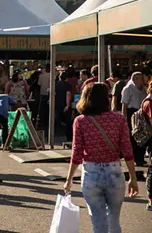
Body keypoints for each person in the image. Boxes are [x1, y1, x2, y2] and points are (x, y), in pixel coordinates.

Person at [63, 83, 138, 232]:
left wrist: (69, 180)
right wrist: (133, 178)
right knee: (114, 221)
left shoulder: (81, 121)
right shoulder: (119, 119)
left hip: (91, 172)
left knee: (98, 223)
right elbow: (127, 150)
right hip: (114, 171)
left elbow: (76, 152)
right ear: (106, 98)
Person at [121, 72, 148, 166]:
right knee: (133, 135)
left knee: (142, 134)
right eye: (141, 78)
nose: (143, 80)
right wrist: (124, 117)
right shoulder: (128, 89)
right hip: (131, 111)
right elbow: (124, 104)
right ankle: (135, 157)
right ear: (136, 79)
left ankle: (140, 157)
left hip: (141, 112)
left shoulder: (144, 89)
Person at [55, 72, 75, 142]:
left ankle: (56, 135)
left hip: (57, 104)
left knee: (57, 120)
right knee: (68, 122)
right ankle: (68, 137)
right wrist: (67, 105)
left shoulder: (56, 84)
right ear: (67, 78)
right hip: (64, 104)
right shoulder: (68, 85)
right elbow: (68, 94)